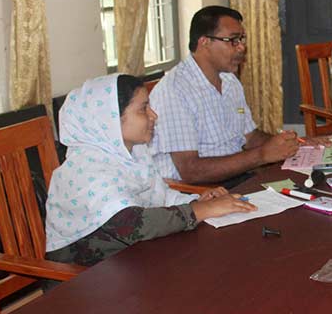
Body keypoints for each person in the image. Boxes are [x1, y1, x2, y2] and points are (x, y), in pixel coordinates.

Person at [45, 74, 256, 267]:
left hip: (133, 261)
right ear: (109, 119)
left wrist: (197, 201)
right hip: (85, 281)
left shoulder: (133, 152)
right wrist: (204, 210)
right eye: (143, 109)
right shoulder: (86, 170)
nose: (153, 115)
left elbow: (160, 195)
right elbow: (135, 225)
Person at [150, 6, 312, 186]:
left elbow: (250, 137)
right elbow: (190, 171)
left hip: (238, 177)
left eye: (242, 39)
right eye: (233, 40)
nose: (242, 47)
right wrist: (261, 155)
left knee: (307, 188)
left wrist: (295, 144)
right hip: (198, 191)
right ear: (205, 42)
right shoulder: (174, 90)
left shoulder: (229, 81)